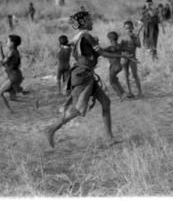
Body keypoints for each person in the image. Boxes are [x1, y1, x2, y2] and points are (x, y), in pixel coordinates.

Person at [44, 10, 137, 148]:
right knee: (78, 110)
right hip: (82, 76)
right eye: (89, 20)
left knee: (106, 102)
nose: (92, 22)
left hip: (85, 75)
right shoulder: (87, 36)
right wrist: (124, 56)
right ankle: (52, 128)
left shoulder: (79, 37)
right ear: (84, 22)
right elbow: (102, 53)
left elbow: (92, 56)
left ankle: (109, 138)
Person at [0, 34, 31, 113]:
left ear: (12, 43)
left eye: (8, 41)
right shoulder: (13, 52)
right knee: (13, 98)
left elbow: (2, 63)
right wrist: (0, 48)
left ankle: (9, 110)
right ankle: (33, 102)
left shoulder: (12, 52)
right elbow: (4, 60)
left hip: (14, 76)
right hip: (15, 75)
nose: (6, 42)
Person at [104, 31, 134, 100]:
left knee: (112, 82)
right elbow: (127, 49)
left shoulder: (111, 48)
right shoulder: (119, 46)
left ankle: (121, 95)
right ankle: (123, 93)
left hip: (114, 67)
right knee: (115, 80)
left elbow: (101, 51)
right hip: (119, 66)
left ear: (110, 39)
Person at [120, 20, 143, 97]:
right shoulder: (122, 37)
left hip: (133, 58)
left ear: (132, 27)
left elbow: (139, 45)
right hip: (124, 57)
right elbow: (119, 48)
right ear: (124, 28)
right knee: (126, 75)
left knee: (134, 75)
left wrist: (135, 38)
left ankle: (140, 92)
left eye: (129, 28)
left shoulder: (135, 35)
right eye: (126, 28)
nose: (128, 29)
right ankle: (129, 92)